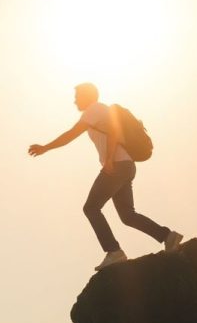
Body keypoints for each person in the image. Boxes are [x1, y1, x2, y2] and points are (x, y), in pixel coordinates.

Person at [28, 83, 182, 270]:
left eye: (77, 95)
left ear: (87, 96)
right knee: (127, 216)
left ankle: (114, 251)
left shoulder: (94, 109)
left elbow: (77, 134)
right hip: (126, 166)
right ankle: (167, 236)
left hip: (117, 165)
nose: (75, 100)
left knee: (91, 207)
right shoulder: (100, 111)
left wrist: (46, 148)